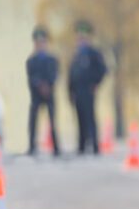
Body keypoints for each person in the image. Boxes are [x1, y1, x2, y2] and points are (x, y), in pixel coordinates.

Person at [68, 20, 108, 155]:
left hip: (88, 90)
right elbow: (72, 74)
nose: (81, 39)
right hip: (77, 91)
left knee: (90, 117)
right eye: (79, 37)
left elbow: (103, 70)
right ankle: (82, 146)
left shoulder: (94, 53)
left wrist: (95, 83)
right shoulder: (76, 54)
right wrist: (70, 91)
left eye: (83, 37)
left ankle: (95, 146)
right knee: (79, 118)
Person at [26, 26, 60, 156]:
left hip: (49, 94)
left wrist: (48, 85)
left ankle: (56, 147)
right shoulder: (31, 60)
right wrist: (40, 85)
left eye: (42, 42)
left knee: (52, 120)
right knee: (33, 120)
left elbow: (55, 75)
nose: (40, 45)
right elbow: (31, 77)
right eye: (38, 42)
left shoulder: (52, 59)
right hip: (36, 95)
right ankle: (32, 146)